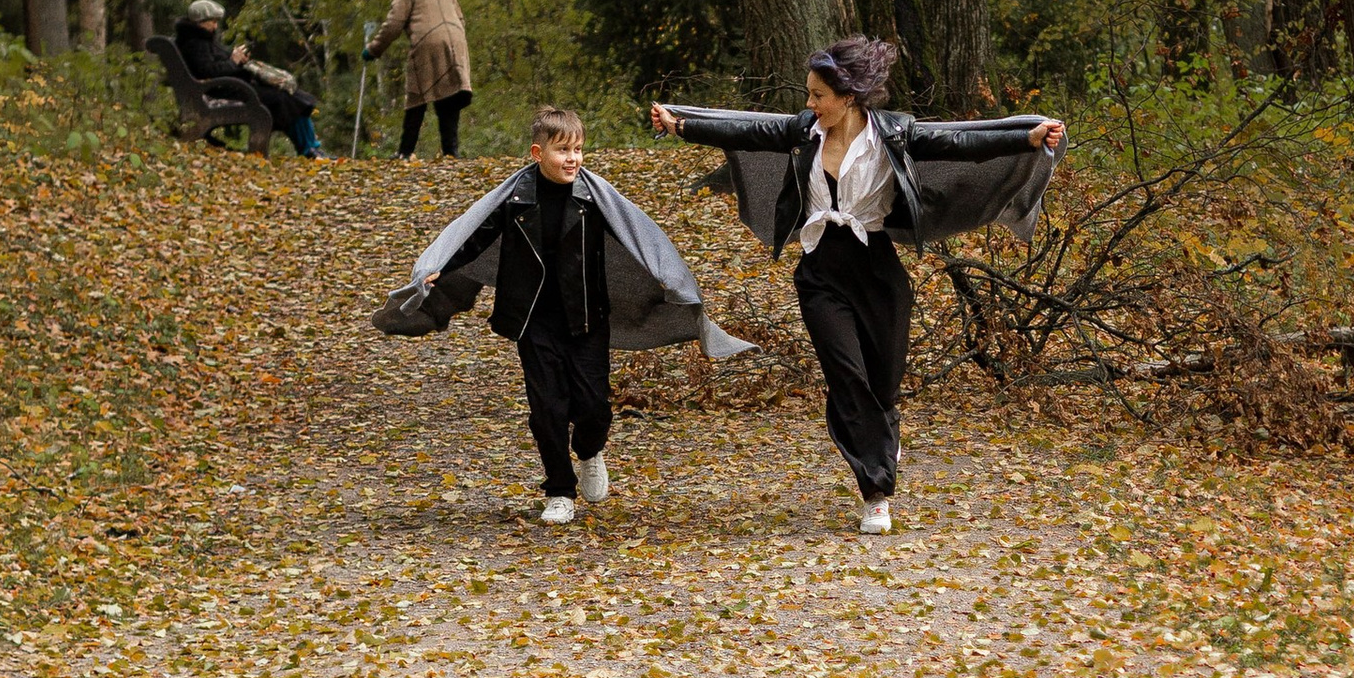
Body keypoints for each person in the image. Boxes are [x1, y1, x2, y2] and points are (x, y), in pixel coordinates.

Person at [651, 39, 1063, 534]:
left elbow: (960, 142)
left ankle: (880, 439)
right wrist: (683, 126)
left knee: (882, 384)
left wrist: (1027, 138)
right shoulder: (803, 132)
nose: (809, 104)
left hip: (878, 269)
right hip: (820, 271)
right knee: (846, 377)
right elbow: (747, 129)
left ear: (848, 97)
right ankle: (876, 490)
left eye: (817, 95)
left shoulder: (895, 133)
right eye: (808, 94)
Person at [377, 106, 751, 524]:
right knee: (547, 407)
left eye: (578, 149)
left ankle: (590, 451)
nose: (572, 158)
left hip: (587, 315)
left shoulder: (595, 198)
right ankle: (559, 490)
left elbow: (637, 237)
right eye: (562, 150)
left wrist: (664, 275)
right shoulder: (515, 198)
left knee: (593, 406)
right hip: (533, 318)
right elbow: (476, 235)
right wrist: (442, 266)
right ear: (538, 153)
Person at [174, 0, 323, 157]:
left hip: (230, 87)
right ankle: (309, 149)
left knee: (291, 96)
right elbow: (208, 71)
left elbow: (216, 63)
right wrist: (233, 61)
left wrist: (236, 58)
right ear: (200, 22)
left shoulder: (200, 38)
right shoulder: (195, 43)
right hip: (224, 90)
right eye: (212, 22)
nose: (215, 26)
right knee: (284, 98)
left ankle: (311, 148)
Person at [366, 0, 473, 157]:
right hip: (457, 43)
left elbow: (393, 24)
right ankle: (451, 153)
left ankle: (405, 152)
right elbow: (461, 19)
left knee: (416, 97)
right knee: (448, 97)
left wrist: (374, 50)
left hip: (427, 43)